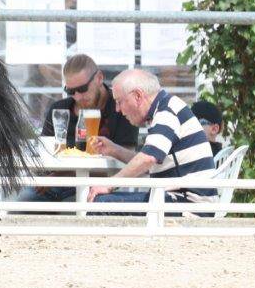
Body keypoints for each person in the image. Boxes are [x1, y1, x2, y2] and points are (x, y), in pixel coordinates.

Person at [87, 69, 216, 208]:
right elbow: (148, 163)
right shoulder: (166, 106)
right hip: (183, 200)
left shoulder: (167, 112)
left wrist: (109, 184)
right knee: (102, 201)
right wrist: (113, 149)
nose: (117, 109)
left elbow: (148, 159)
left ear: (138, 96)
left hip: (188, 204)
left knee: (101, 203)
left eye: (119, 101)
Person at [21, 53, 140, 202]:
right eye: (70, 91)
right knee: (22, 202)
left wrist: (64, 175)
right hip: (56, 183)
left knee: (78, 204)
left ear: (99, 78)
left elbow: (128, 162)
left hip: (100, 186)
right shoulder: (60, 110)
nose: (77, 96)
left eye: (83, 89)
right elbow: (46, 152)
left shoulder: (121, 108)